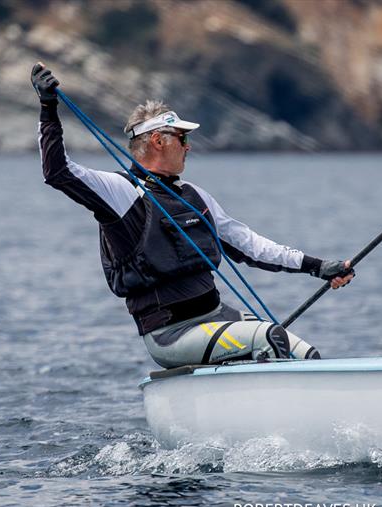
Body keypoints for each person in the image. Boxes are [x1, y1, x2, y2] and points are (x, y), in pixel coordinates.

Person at [31, 63, 354, 368]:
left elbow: (252, 246)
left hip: (217, 316)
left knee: (305, 353)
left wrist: (318, 267)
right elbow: (58, 172)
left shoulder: (195, 196)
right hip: (172, 335)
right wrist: (48, 108)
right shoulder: (121, 192)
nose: (188, 146)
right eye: (182, 138)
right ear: (158, 141)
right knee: (270, 338)